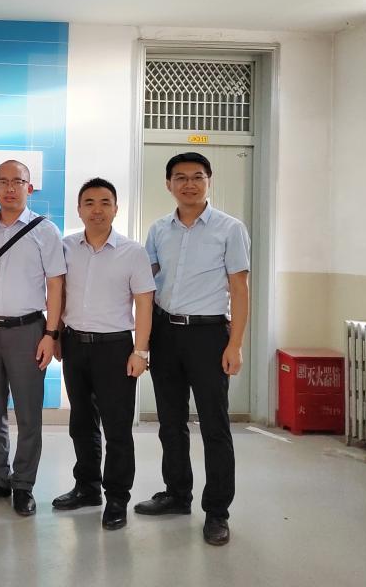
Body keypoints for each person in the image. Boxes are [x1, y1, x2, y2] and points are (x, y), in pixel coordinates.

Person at [135, 152, 250, 546]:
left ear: (208, 181)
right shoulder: (158, 230)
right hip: (166, 333)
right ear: (168, 184)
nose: (189, 184)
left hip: (208, 335)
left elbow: (239, 289)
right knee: (170, 422)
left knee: (215, 426)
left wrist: (235, 344)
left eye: (197, 176)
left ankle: (217, 511)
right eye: (180, 177)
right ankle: (177, 493)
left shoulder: (230, 229)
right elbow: (145, 283)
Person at [51, 178, 155, 531]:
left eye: (105, 202)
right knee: (81, 422)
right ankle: (87, 487)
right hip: (75, 344)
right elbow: (59, 295)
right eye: (90, 203)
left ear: (115, 208)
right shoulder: (66, 247)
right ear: (79, 209)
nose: (97, 210)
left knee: (117, 427)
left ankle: (117, 498)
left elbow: (144, 303)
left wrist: (141, 351)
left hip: (115, 348)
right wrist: (56, 335)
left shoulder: (132, 252)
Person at [0, 159, 65, 517]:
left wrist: (50, 333)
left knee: (28, 413)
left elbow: (56, 285)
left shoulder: (45, 230)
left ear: (30, 187)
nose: (10, 188)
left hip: (29, 331)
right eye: (3, 182)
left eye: (18, 181)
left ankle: (23, 484)